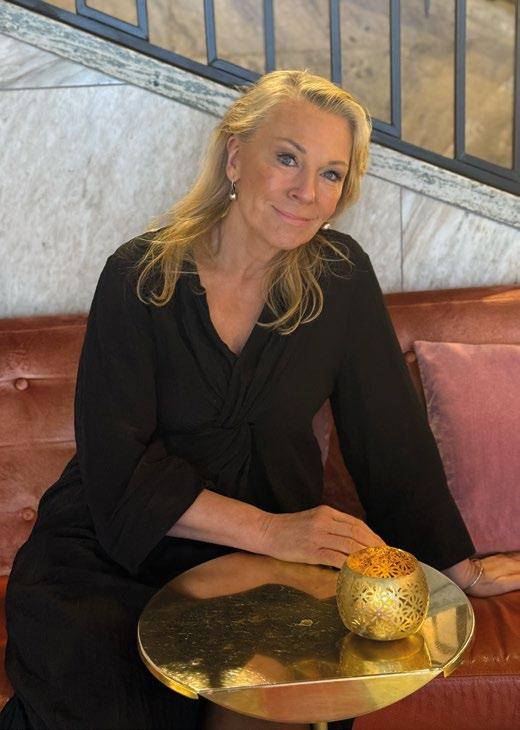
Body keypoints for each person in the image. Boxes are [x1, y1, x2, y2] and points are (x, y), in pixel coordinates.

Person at [1, 69, 519, 730]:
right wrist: (276, 531)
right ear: (235, 157)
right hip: (117, 555)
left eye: (331, 174)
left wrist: (457, 566)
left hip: (268, 562)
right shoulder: (139, 276)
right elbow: (117, 472)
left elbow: (390, 443)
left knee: (280, 693)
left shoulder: (339, 277)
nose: (308, 192)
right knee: (109, 682)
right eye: (288, 159)